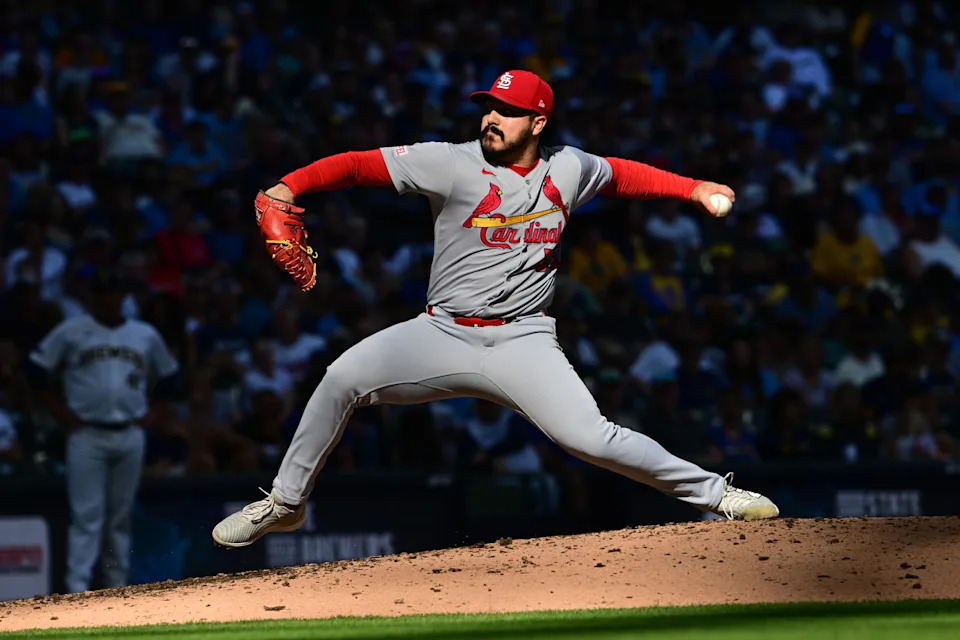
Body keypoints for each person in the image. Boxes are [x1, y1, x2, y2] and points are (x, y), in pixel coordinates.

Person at [212, 70, 779, 549]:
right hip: (441, 332)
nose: (491, 119)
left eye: (507, 111)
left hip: (523, 341)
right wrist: (288, 188)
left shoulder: (568, 169)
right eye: (488, 107)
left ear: (538, 123)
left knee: (593, 439)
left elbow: (625, 175)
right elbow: (359, 164)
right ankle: (285, 503)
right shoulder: (448, 163)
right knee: (340, 378)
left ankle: (717, 494)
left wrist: (695, 188)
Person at [27, 271, 180, 593]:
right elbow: (36, 370)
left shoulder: (144, 334)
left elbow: (170, 378)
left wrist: (154, 414)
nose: (107, 299)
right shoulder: (72, 330)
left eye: (113, 293)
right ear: (92, 297)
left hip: (129, 431)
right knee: (87, 516)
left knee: (119, 518)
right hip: (86, 433)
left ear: (122, 296)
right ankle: (77, 588)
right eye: (101, 293)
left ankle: (115, 587)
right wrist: (61, 414)